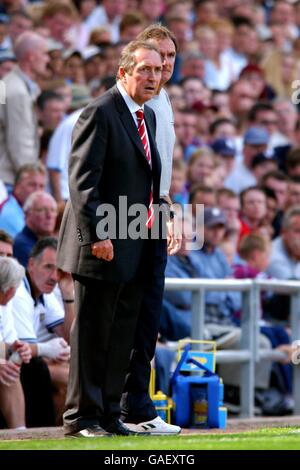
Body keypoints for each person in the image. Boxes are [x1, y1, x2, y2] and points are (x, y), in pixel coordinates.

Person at [57, 39, 163, 437]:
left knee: (122, 332)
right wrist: (98, 234)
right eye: (145, 69)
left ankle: (107, 415)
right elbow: (83, 183)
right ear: (124, 72)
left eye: (157, 70)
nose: (153, 77)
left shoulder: (146, 116)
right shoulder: (99, 112)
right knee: (92, 333)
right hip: (100, 246)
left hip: (134, 241)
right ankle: (80, 418)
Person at [121, 24, 181, 436]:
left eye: (171, 59)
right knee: (131, 314)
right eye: (158, 60)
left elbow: (163, 169)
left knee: (149, 316)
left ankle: (137, 406)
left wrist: (170, 210)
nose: (164, 68)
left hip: (155, 213)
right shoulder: (126, 105)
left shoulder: (165, 102)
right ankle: (123, 407)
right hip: (127, 216)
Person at [0, 31, 49, 190]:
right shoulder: (18, 92)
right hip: (11, 179)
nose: (47, 59)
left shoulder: (11, 83)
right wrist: (32, 182)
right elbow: (20, 142)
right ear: (31, 56)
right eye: (44, 53)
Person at [0, 256, 31, 429]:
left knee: (11, 366)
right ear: (11, 290)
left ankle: (19, 432)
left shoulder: (4, 304)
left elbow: (9, 341)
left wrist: (20, 348)